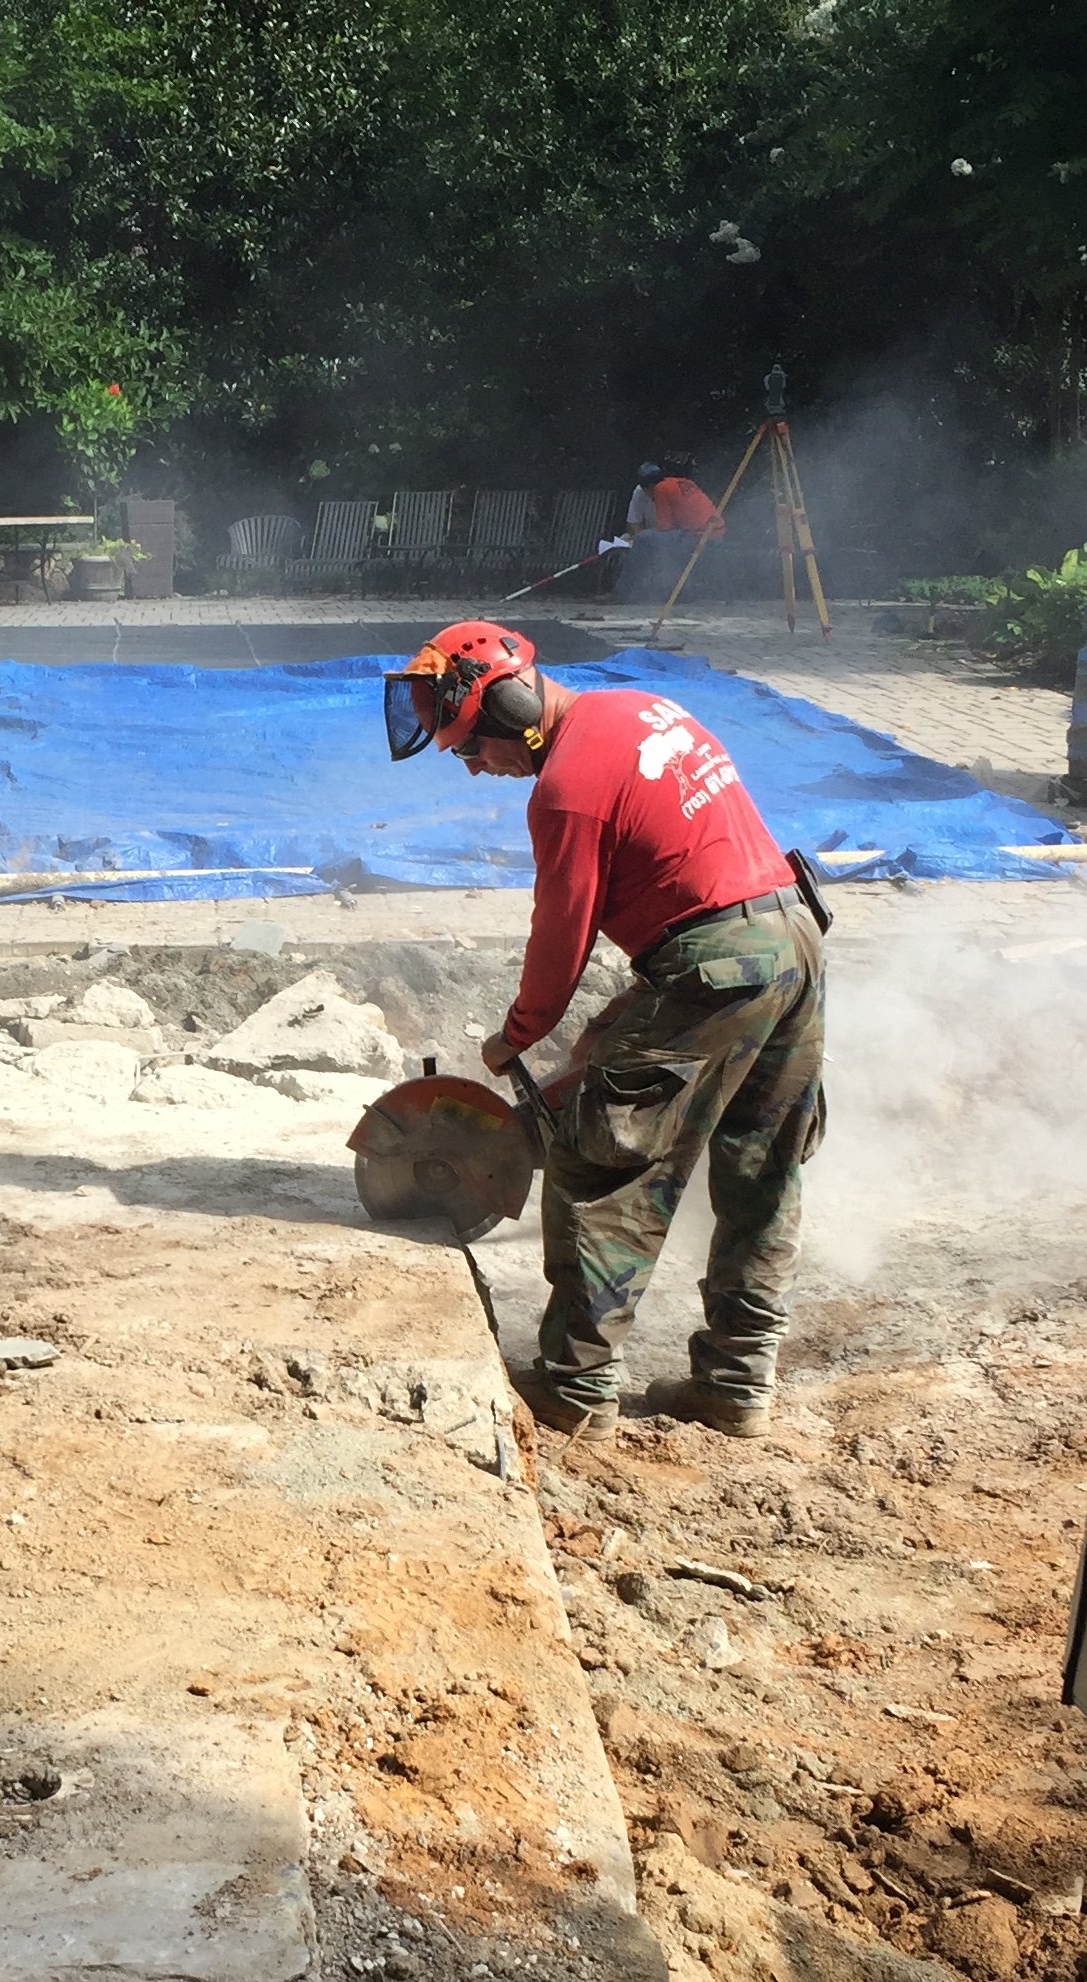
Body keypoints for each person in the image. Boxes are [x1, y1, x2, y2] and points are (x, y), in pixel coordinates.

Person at [382, 620, 825, 1442]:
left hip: (716, 960)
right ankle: (737, 1382)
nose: (478, 768)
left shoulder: (565, 789)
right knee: (762, 1166)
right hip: (791, 940)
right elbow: (696, 877)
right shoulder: (641, 708)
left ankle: (576, 1388)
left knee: (600, 1160)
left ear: (512, 706)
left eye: (472, 746)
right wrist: (619, 1018)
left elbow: (564, 930)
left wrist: (517, 1034)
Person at [616, 456, 724, 604]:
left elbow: (664, 527)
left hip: (698, 535)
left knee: (642, 539)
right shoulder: (683, 482)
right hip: (715, 532)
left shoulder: (660, 489)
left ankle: (623, 592)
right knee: (657, 541)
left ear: (648, 487)